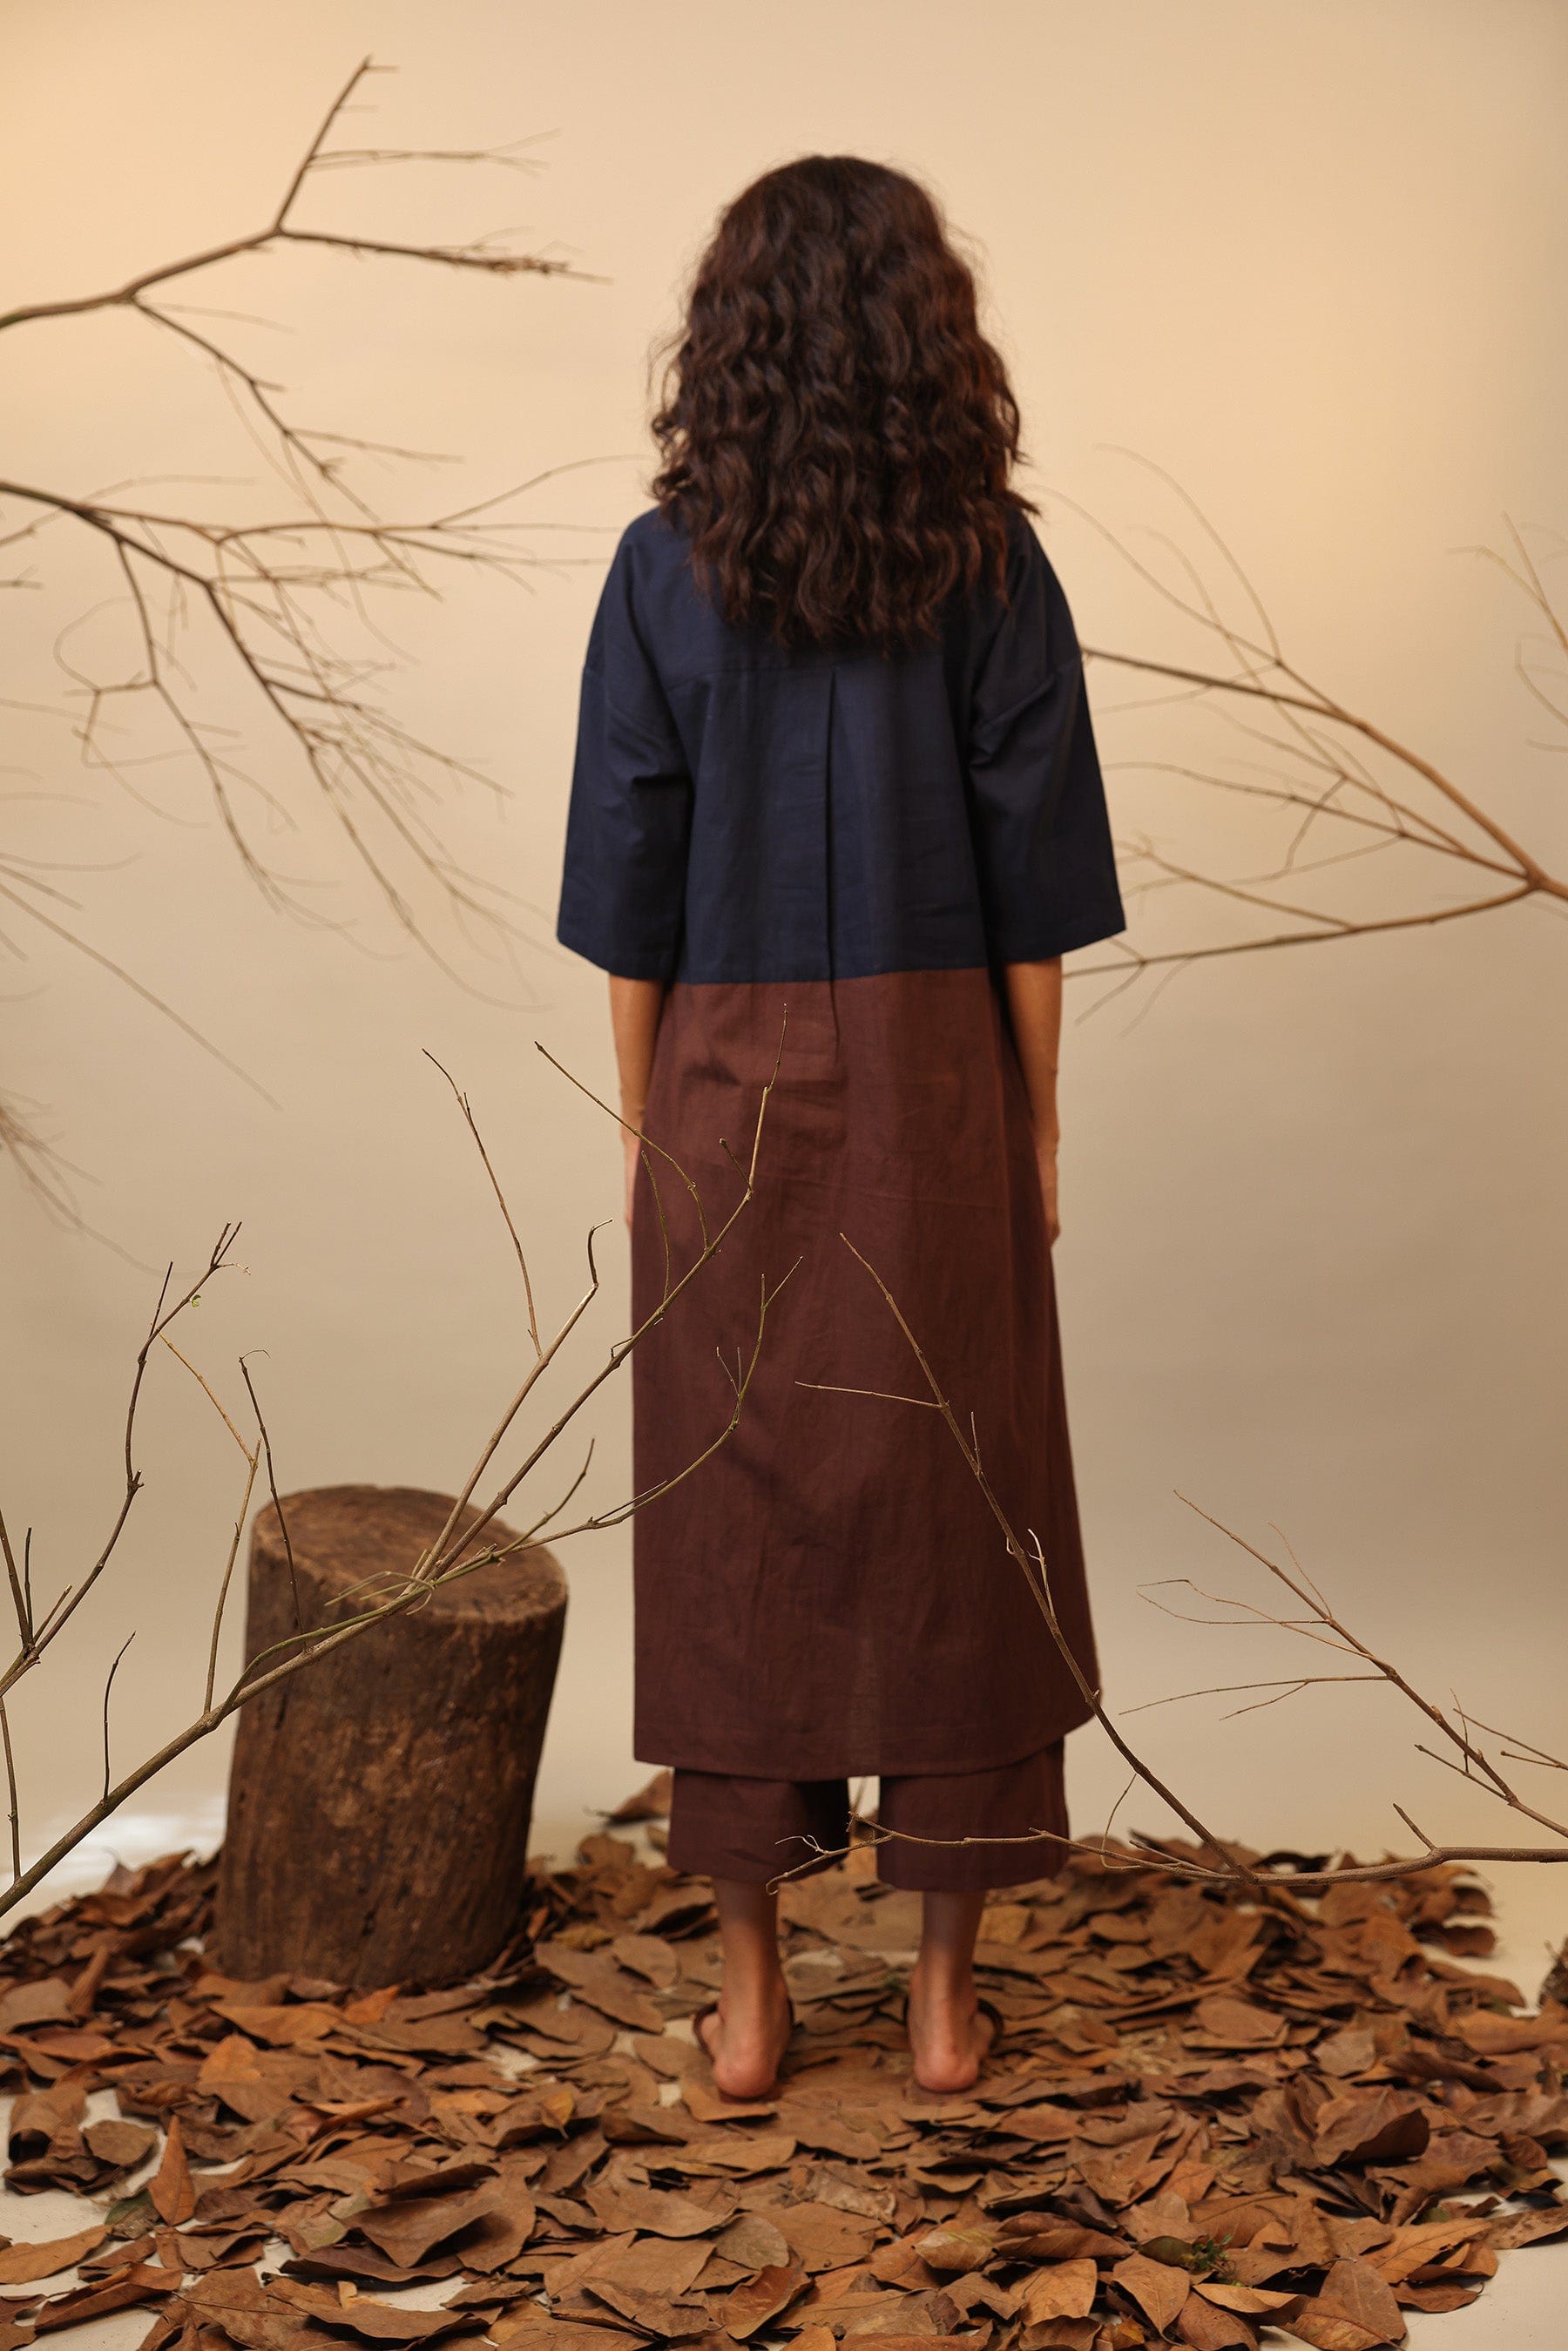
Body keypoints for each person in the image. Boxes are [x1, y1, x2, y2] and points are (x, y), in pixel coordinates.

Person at [556, 155, 1124, 2099]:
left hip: (722, 1073)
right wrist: (1037, 1129)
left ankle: (751, 2003)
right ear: (927, 338)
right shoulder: (994, 564)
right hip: (939, 1075)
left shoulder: (660, 569)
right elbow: (1035, 886)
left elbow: (629, 882)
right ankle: (946, 2008)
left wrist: (647, 1127)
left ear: (728, 341)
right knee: (962, 1501)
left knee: (734, 1517)